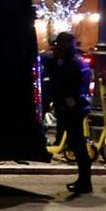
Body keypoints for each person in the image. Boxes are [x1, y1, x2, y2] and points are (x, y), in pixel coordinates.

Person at [41, 32, 92, 194]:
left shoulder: (73, 62)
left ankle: (85, 181)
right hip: (72, 107)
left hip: (73, 108)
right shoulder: (71, 60)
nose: (57, 47)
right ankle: (83, 180)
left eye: (59, 44)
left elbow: (68, 85)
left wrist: (68, 104)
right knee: (76, 144)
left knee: (78, 145)